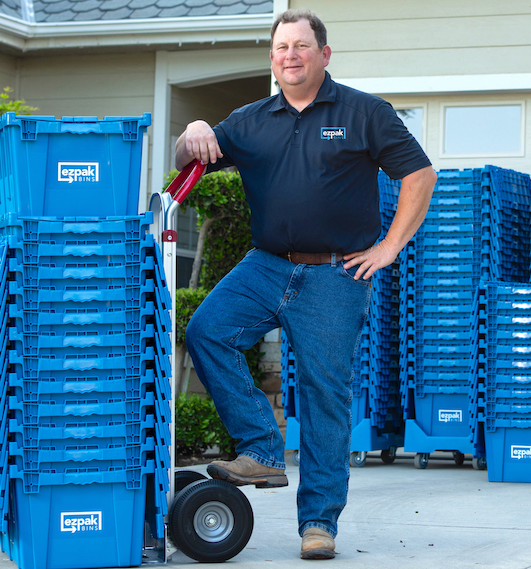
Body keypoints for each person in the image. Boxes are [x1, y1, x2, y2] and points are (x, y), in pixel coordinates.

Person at [176, 8, 436, 561]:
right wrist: (193, 131)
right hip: (266, 265)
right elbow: (190, 158)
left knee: (324, 398)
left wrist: (389, 248)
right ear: (272, 59)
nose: (289, 55)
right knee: (206, 331)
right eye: (280, 48)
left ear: (324, 54)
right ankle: (263, 448)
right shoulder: (251, 120)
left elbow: (420, 174)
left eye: (300, 46)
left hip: (336, 275)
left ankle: (318, 524)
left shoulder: (364, 112)